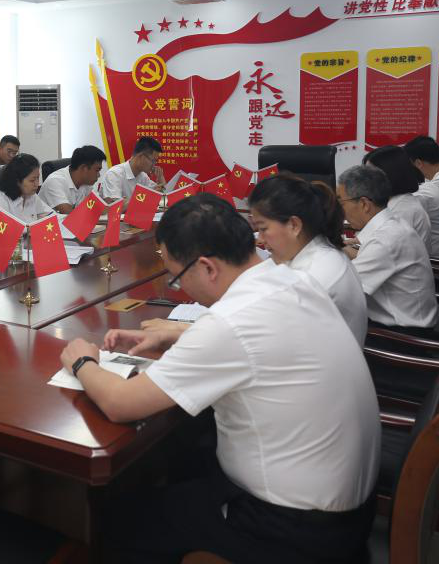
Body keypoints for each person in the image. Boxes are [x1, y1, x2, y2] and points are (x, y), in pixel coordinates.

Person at [59, 195, 379, 562]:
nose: (181, 289)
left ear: (207, 267)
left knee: (114, 523)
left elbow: (121, 403)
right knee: (187, 451)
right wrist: (178, 334)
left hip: (290, 529)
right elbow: (264, 343)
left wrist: (83, 361)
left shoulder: (230, 323)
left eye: (178, 278)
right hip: (348, 513)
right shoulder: (293, 279)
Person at [248, 175, 367, 344]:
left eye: (263, 228)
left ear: (294, 225)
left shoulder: (311, 279)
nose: (260, 239)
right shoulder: (318, 250)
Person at [338, 165, 437, 329]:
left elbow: (341, 289)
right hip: (407, 321)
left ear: (364, 204)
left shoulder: (385, 240)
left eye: (341, 202)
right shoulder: (392, 224)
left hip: (401, 335)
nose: (340, 210)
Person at [363, 146, 439, 259]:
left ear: (391, 174)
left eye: (370, 175)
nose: (365, 180)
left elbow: (380, 253)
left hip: (431, 264)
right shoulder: (399, 200)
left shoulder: (402, 209)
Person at [0, 153, 54, 223]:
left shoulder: (31, 196)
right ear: (17, 181)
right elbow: (4, 229)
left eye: (38, 178)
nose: (37, 184)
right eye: (32, 180)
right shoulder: (1, 201)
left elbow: (51, 216)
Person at [38, 145, 106, 213]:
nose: (99, 175)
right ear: (84, 168)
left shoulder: (87, 182)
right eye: (97, 170)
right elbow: (68, 213)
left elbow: (99, 207)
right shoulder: (55, 181)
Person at [101, 136, 164, 201]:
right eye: (153, 160)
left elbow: (161, 195)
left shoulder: (143, 176)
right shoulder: (114, 174)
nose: (154, 164)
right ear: (141, 157)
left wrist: (161, 179)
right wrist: (145, 198)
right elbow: (115, 204)